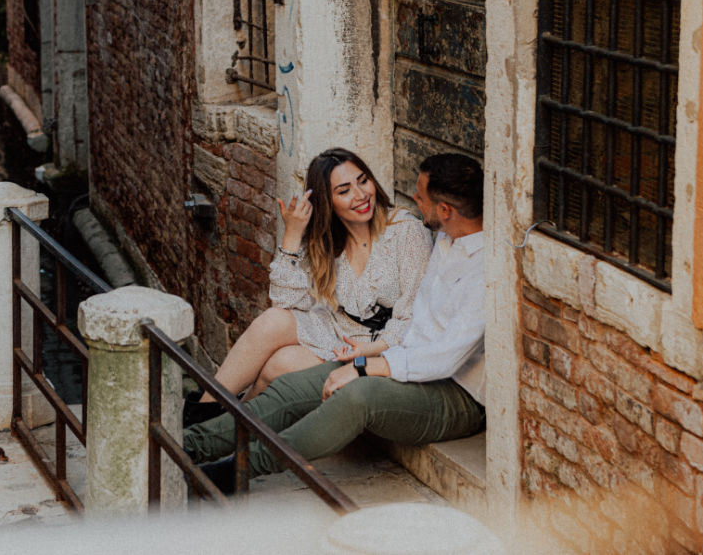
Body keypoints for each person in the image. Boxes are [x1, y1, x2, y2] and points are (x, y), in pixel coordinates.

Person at [183, 153, 486, 488]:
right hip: (396, 359)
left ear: (445, 210)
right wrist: (366, 359)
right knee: (291, 388)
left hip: (454, 393)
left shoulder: (484, 270)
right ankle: (189, 444)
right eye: (344, 190)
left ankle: (236, 471)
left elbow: (443, 358)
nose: (413, 201)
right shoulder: (446, 236)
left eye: (420, 197)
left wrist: (364, 365)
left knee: (357, 397)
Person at [187, 148, 432, 420]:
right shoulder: (325, 239)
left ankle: (216, 433)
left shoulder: (405, 231)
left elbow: (413, 316)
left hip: (384, 348)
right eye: (344, 190)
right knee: (273, 320)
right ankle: (207, 417)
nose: (361, 195)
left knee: (276, 366)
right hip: (337, 333)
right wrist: (292, 234)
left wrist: (368, 350)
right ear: (328, 201)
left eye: (363, 181)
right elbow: (287, 304)